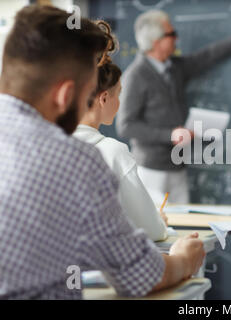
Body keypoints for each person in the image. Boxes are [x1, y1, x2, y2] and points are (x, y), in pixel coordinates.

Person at [0, 5, 204, 299]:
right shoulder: (76, 161)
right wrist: (184, 258)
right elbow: (139, 276)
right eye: (87, 96)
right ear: (65, 95)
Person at [116, 9, 231, 204]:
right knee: (154, 228)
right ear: (156, 42)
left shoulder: (174, 68)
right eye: (171, 34)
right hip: (151, 170)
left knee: (182, 225)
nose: (177, 38)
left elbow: (207, 56)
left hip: (178, 165)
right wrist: (170, 135)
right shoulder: (135, 76)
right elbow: (126, 126)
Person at [73, 28, 168, 241]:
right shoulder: (112, 151)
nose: (120, 103)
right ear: (104, 98)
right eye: (119, 94)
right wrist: (159, 221)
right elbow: (151, 230)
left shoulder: (49, 144)